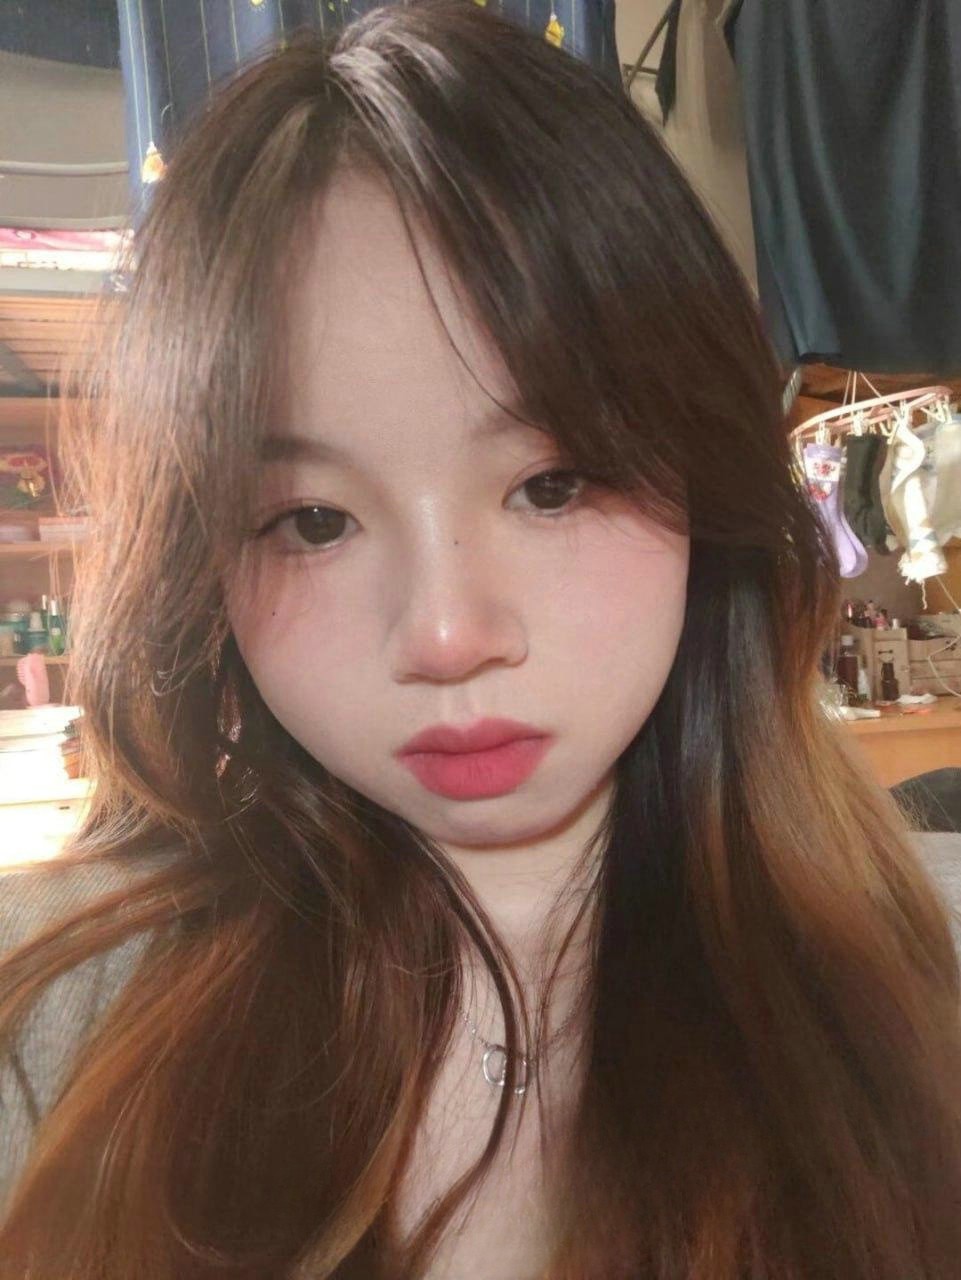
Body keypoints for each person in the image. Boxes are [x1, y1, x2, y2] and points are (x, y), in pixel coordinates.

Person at [2, 3, 961, 1277]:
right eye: (313, 519)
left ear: (704, 474)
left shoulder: (922, 974)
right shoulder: (55, 1023)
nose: (448, 634)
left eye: (552, 484)